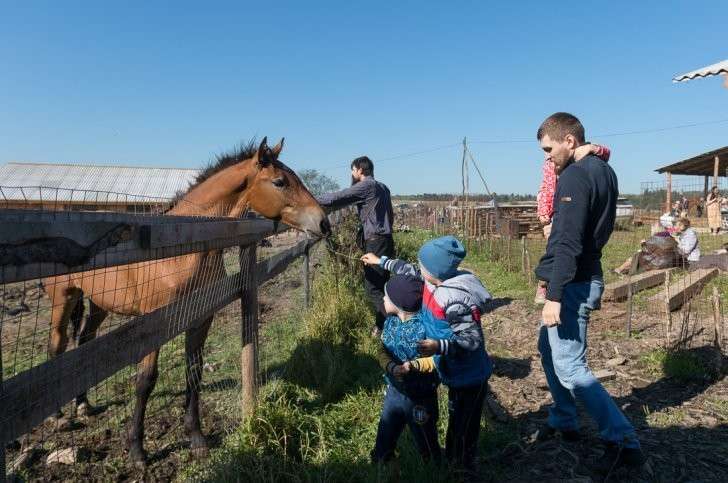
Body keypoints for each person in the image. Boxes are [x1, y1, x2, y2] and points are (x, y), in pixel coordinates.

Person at [533, 112, 644, 472]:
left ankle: (623, 440)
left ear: (570, 140)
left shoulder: (575, 177)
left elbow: (567, 242)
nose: (547, 157)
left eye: (549, 149)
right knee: (546, 348)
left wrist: (554, 295)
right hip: (584, 274)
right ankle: (565, 418)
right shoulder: (604, 170)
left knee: (571, 367)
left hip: (573, 282)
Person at [362, 236, 492, 472]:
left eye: (422, 267)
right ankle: (451, 462)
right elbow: (405, 268)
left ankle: (461, 470)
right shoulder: (431, 279)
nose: (417, 270)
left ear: (436, 272)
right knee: (456, 418)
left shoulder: (455, 301)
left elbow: (471, 342)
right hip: (451, 370)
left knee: (463, 426)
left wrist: (437, 346)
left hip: (469, 376)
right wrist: (380, 261)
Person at [317, 156, 395, 334]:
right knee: (382, 285)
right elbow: (391, 216)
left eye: (353, 170)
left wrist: (309, 199)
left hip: (375, 242)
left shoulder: (367, 185)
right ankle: (382, 326)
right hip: (386, 240)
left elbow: (339, 197)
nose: (352, 174)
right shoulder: (384, 187)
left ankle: (392, 325)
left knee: (372, 289)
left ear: (360, 170)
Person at [371, 275, 441, 464]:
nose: (383, 300)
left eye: (387, 297)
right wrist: (392, 367)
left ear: (398, 303)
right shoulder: (391, 322)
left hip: (421, 396)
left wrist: (415, 366)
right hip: (394, 391)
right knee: (387, 428)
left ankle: (434, 467)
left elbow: (437, 360)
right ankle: (380, 459)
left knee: (425, 434)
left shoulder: (426, 328)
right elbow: (382, 351)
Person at [534, 143, 611, 304]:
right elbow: (547, 188)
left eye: (549, 150)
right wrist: (544, 214)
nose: (548, 155)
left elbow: (606, 153)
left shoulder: (582, 160)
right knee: (554, 247)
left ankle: (559, 286)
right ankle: (546, 284)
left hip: (572, 203)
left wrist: (593, 148)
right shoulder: (550, 164)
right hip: (556, 209)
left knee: (567, 244)